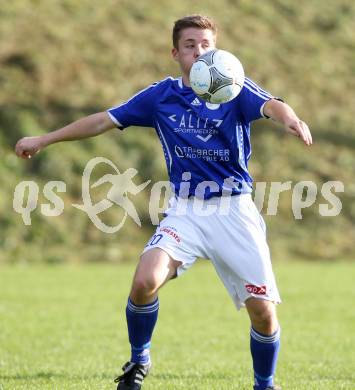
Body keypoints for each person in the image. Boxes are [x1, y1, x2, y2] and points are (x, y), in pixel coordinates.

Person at [15, 14, 312, 390]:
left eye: (206, 45)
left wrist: (292, 119)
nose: (199, 52)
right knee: (144, 281)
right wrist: (45, 139)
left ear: (216, 50)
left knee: (262, 313)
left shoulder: (233, 87)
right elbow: (103, 121)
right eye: (190, 46)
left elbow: (272, 105)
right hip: (186, 210)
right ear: (175, 53)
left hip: (234, 210)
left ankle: (265, 384)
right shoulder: (161, 96)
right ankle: (139, 361)